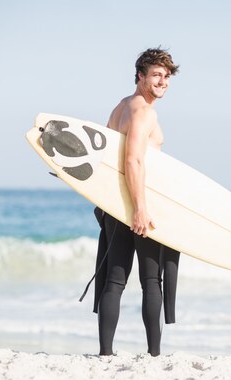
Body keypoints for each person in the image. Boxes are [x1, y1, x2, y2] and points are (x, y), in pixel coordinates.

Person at [91, 47, 181, 356]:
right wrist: (140, 209)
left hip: (116, 205)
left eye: (166, 77)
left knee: (115, 280)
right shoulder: (144, 112)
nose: (162, 82)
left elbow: (103, 156)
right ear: (140, 76)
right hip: (138, 204)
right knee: (150, 280)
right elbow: (133, 161)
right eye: (156, 75)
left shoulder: (121, 107)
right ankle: (154, 354)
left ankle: (106, 353)